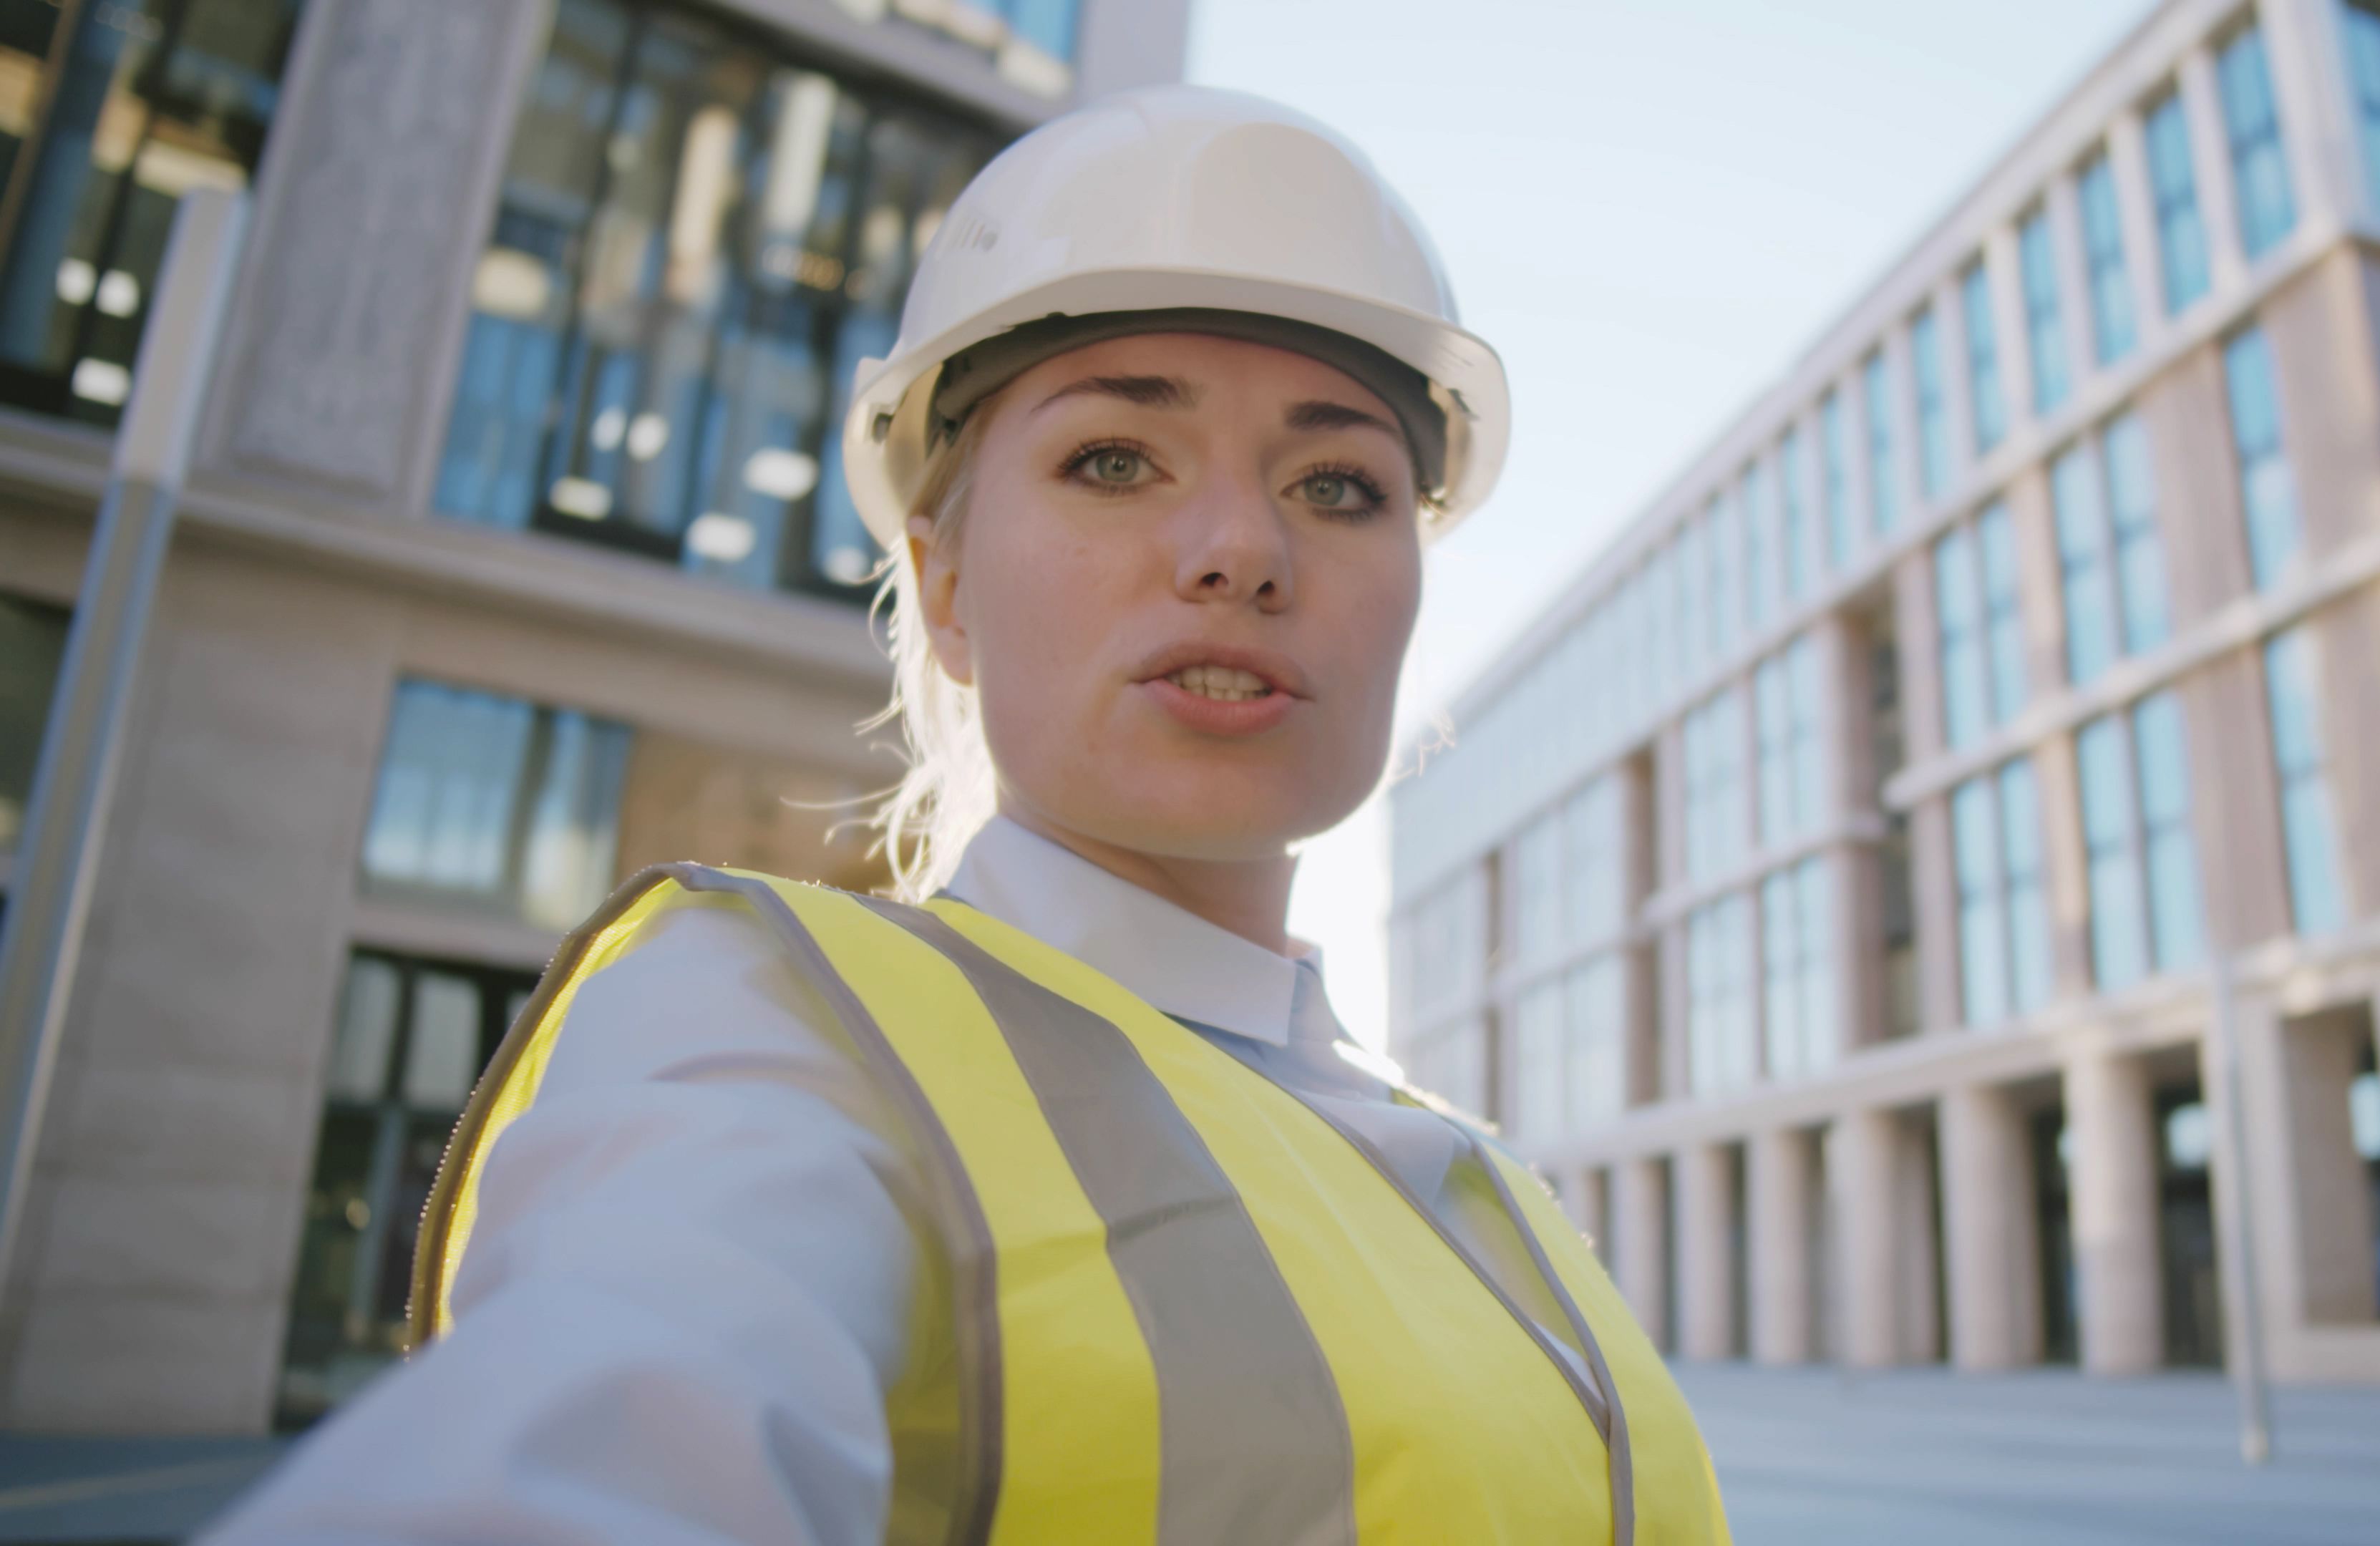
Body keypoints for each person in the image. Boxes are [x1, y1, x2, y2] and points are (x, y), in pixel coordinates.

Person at [205, 85, 1731, 1545]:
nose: (1239, 551)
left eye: (1339, 486)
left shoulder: (1496, 1194)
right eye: (1114, 460)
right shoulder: (781, 1031)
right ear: (941, 587)